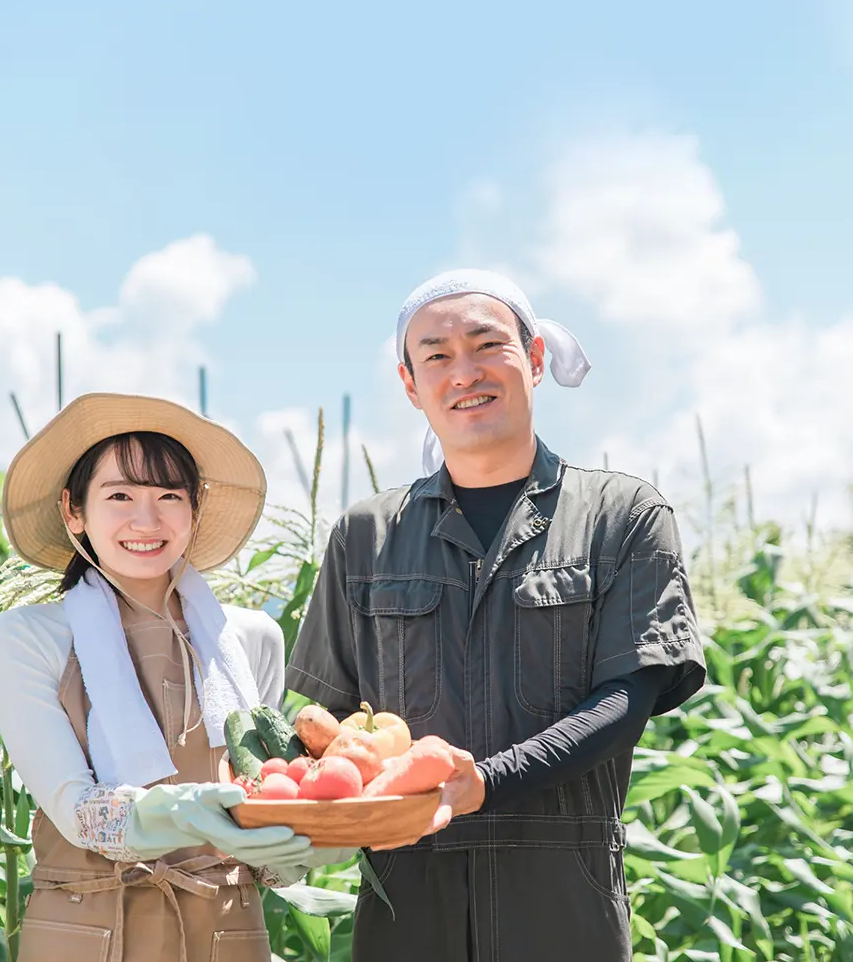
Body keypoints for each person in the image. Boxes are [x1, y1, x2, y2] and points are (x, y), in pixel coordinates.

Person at [286, 269, 707, 962]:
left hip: (564, 902)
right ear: (410, 384)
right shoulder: (364, 537)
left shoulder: (621, 516)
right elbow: (325, 726)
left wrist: (484, 783)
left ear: (535, 359)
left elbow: (626, 699)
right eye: (437, 356)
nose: (465, 372)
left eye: (488, 345)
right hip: (404, 904)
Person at [0, 392, 347, 962]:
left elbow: (263, 792)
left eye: (169, 496)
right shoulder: (29, 636)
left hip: (228, 930)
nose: (147, 520)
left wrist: (302, 841)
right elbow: (76, 812)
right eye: (120, 495)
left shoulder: (252, 638)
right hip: (86, 931)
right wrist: (184, 812)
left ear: (194, 508)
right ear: (73, 510)